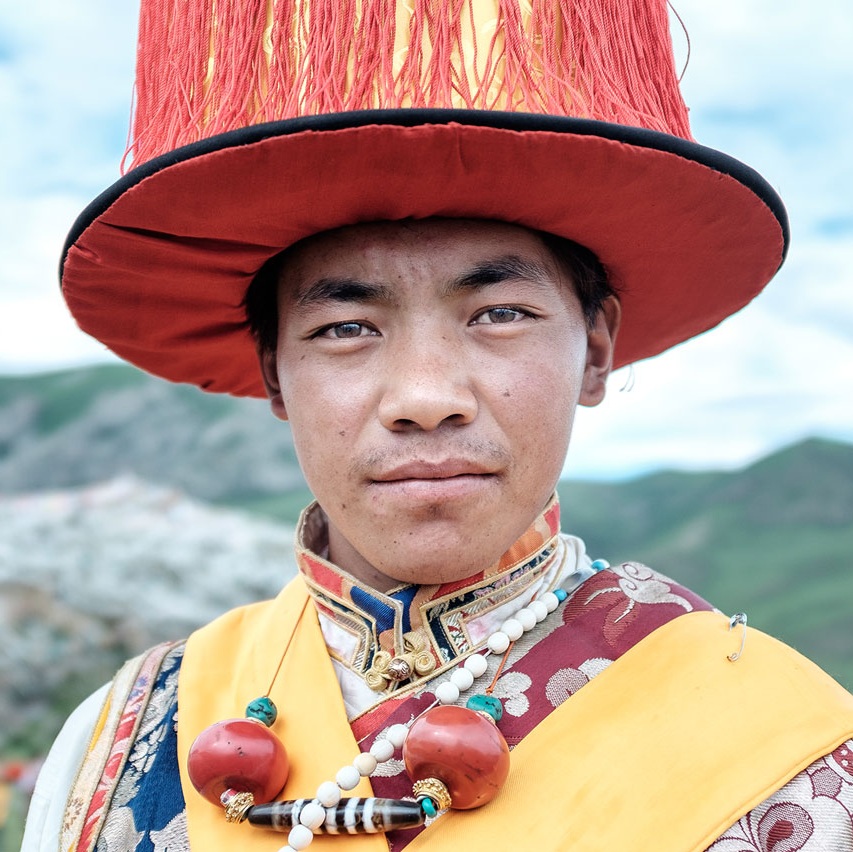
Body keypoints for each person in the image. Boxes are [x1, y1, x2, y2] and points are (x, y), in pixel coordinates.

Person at [22, 0, 853, 850]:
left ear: (595, 351)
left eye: (497, 312)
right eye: (345, 327)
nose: (423, 395)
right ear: (276, 373)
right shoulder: (126, 730)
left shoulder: (786, 751)